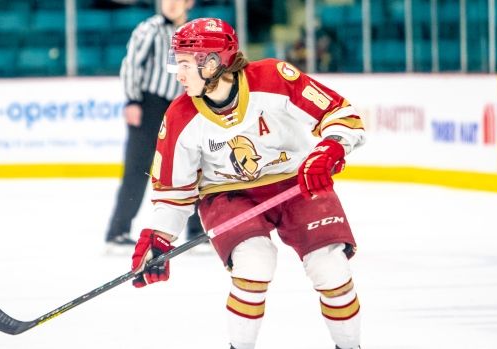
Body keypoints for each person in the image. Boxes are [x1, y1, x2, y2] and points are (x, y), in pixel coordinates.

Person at [130, 18, 365, 349]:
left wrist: (332, 146)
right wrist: (157, 237)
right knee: (253, 263)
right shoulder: (180, 116)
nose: (178, 74)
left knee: (332, 269)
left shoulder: (272, 78)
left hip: (297, 184)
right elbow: (173, 193)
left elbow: (341, 114)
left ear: (211, 63)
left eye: (183, 64)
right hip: (228, 195)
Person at [105, 0, 206, 251]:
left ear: (189, 2)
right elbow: (130, 66)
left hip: (185, 105)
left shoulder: (196, 32)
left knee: (192, 165)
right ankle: (117, 232)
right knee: (137, 168)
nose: (170, 4)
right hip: (149, 105)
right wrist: (132, 100)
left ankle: (196, 230)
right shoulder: (148, 29)